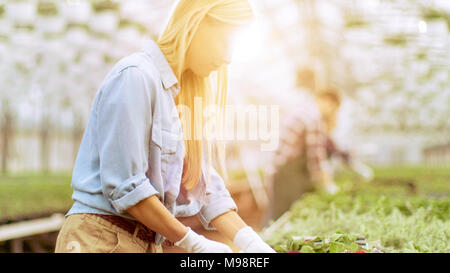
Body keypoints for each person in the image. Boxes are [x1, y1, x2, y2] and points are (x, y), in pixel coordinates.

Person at [55, 0, 275, 253]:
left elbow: (204, 186)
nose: (227, 58)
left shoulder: (180, 96)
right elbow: (126, 186)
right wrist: (193, 242)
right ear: (198, 24)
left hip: (145, 241)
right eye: (226, 42)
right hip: (100, 238)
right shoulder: (135, 76)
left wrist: (250, 241)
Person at [268, 69, 338, 221]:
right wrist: (328, 186)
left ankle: (260, 243)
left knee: (275, 218)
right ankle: (261, 244)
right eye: (333, 107)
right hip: (288, 173)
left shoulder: (304, 110)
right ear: (328, 102)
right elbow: (316, 160)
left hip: (279, 170)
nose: (331, 112)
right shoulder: (313, 118)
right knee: (285, 218)